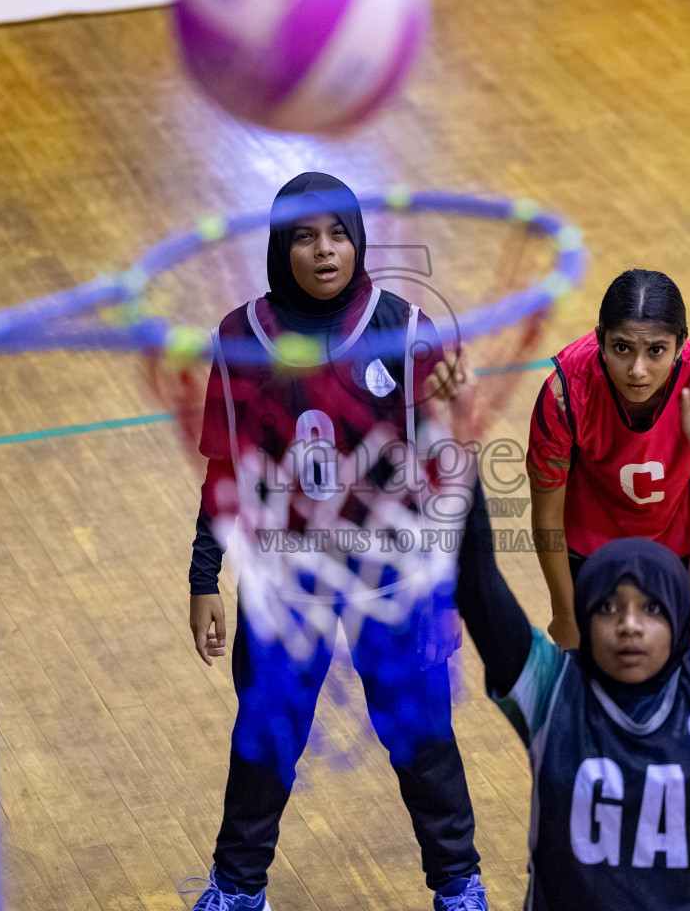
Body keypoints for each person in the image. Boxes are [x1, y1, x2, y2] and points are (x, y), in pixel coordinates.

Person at [183, 172, 486, 911]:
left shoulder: (405, 330)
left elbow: (445, 475)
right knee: (265, 740)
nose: (324, 251)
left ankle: (459, 885)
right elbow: (225, 472)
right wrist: (203, 578)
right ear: (279, 247)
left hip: (390, 578)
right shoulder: (239, 339)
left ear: (359, 241)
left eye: (338, 234)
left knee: (423, 741)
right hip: (285, 580)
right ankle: (237, 889)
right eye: (305, 237)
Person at [436, 357, 690, 910]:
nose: (629, 625)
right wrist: (458, 446)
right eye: (607, 608)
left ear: (681, 618)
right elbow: (478, 586)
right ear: (582, 620)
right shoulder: (552, 691)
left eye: (651, 609)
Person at [526, 268, 690, 908]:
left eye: (656, 350)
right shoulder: (564, 390)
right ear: (600, 340)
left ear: (682, 345)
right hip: (593, 565)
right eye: (622, 349)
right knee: (590, 720)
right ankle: (591, 859)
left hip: (680, 559)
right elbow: (546, 513)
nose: (638, 369)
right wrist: (565, 612)